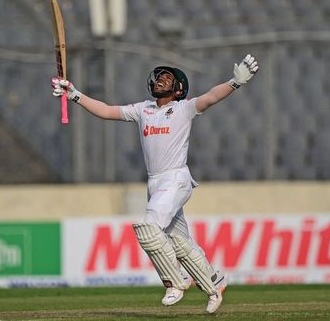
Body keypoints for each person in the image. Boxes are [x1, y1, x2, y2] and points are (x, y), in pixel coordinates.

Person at [52, 54, 259, 313]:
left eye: (167, 78)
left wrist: (235, 82)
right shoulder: (143, 109)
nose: (161, 80)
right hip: (155, 183)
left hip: (176, 178)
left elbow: (210, 97)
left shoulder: (184, 108)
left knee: (149, 228)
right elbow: (106, 111)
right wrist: (74, 94)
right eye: (159, 77)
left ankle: (175, 281)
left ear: (178, 88)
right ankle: (214, 284)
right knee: (179, 241)